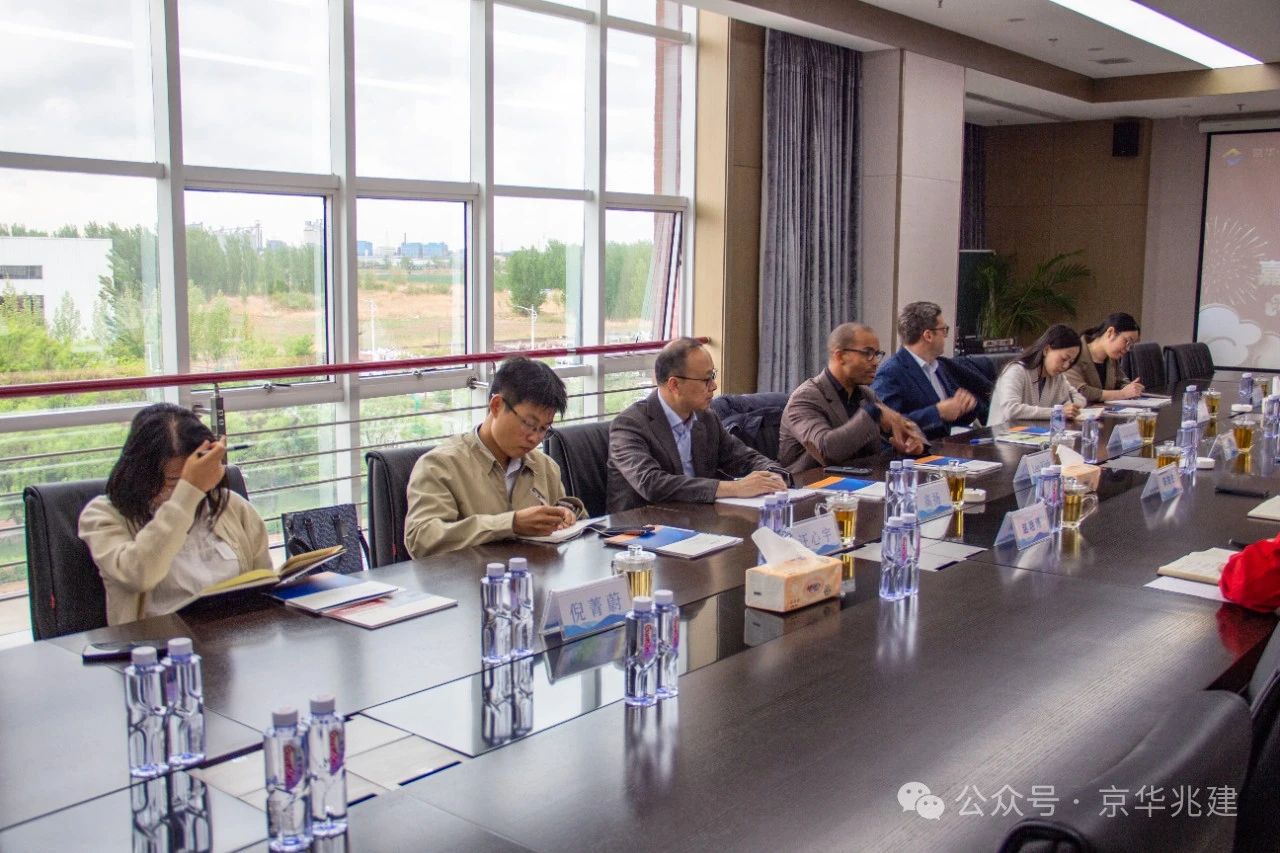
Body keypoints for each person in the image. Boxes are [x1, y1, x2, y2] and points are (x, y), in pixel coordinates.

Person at [78, 404, 271, 626]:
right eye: (173, 481)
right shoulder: (102, 515)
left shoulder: (232, 507)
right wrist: (187, 494)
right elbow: (139, 575)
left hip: (234, 636)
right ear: (141, 472)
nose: (183, 488)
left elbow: (263, 586)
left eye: (194, 476)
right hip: (158, 641)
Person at [404, 357, 585, 558]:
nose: (535, 438)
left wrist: (565, 513)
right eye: (529, 424)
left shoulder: (544, 467)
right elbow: (421, 539)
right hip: (467, 576)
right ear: (497, 405)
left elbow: (576, 531)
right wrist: (510, 524)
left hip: (533, 574)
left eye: (544, 429)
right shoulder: (440, 466)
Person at [607, 337, 788, 512]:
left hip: (698, 519)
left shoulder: (707, 418)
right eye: (706, 380)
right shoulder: (629, 425)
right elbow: (651, 483)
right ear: (674, 385)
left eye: (713, 376)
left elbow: (743, 458)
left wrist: (774, 475)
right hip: (641, 525)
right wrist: (735, 488)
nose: (714, 386)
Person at [778, 322, 927, 473]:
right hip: (812, 483)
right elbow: (826, 451)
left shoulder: (866, 394)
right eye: (867, 353)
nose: (875, 362)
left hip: (862, 480)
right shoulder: (805, 398)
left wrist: (913, 443)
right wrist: (873, 413)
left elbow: (901, 426)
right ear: (840, 356)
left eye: (877, 354)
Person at [872, 301, 993, 439]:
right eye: (944, 330)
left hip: (945, 447)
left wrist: (964, 407)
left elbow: (949, 420)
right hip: (916, 451)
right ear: (928, 335)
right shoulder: (891, 373)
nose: (945, 336)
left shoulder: (939, 367)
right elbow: (886, 424)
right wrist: (937, 412)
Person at [987, 324, 1086, 427]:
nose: (1066, 366)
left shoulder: (1058, 377)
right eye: (1064, 359)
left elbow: (1079, 399)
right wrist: (1058, 412)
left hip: (1033, 433)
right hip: (1003, 432)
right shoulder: (1016, 370)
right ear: (1046, 350)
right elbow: (1011, 409)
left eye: (1071, 362)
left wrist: (1070, 408)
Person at [1064, 312, 1145, 403]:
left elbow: (1121, 381)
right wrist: (1122, 394)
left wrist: (1131, 388)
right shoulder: (1075, 352)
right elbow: (1080, 391)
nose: (1127, 349)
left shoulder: (1111, 357)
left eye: (1131, 345)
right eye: (1127, 341)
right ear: (1110, 332)